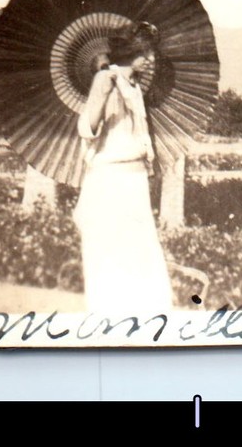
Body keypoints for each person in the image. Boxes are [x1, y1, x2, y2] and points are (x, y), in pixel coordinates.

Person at [74, 22, 173, 316]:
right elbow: (87, 129)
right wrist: (102, 92)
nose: (151, 59)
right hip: (110, 180)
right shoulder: (105, 79)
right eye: (146, 52)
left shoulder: (134, 87)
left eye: (151, 52)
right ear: (132, 51)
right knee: (109, 254)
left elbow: (140, 133)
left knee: (138, 255)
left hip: (134, 180)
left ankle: (139, 320)